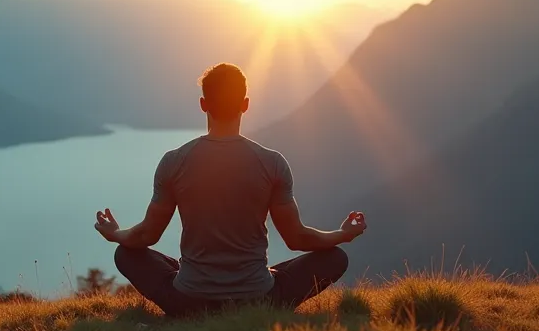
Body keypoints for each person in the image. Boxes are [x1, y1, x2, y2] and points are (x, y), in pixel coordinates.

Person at [93, 62, 367, 317]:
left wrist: (115, 233)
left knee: (125, 252)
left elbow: (146, 235)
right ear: (245, 104)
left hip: (189, 300)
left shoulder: (174, 162)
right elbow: (297, 239)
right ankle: (256, 297)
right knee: (335, 258)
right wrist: (342, 234)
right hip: (260, 299)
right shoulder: (271, 163)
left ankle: (193, 299)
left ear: (203, 104)